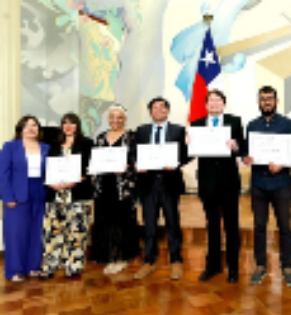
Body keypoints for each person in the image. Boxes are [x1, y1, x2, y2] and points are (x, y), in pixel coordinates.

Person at [243, 86, 291, 287]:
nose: (266, 102)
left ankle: (287, 267)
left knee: (284, 226)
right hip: (258, 183)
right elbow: (245, 152)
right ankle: (260, 266)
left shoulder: (287, 124)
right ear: (259, 102)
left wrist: (282, 163)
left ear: (276, 101)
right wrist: (246, 158)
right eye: (263, 99)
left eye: (270, 99)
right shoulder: (251, 125)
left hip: (281, 182)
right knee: (259, 226)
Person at [191, 89, 244, 284]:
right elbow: (190, 154)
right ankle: (212, 266)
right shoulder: (196, 125)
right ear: (206, 105)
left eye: (218, 100)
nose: (214, 103)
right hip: (207, 182)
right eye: (210, 101)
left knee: (231, 226)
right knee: (212, 225)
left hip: (229, 181)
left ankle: (233, 269)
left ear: (223, 103)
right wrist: (187, 143)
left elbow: (243, 147)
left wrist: (236, 146)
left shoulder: (235, 122)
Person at [133, 97, 188, 281]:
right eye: (155, 107)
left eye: (162, 107)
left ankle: (176, 261)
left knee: (173, 223)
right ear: (150, 112)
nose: (159, 110)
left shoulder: (178, 130)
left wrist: (178, 163)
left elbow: (186, 153)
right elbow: (133, 153)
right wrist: (136, 164)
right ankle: (149, 261)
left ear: (167, 111)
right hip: (148, 184)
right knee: (149, 224)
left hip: (170, 183)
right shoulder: (141, 131)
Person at [40, 113, 94, 279]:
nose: (68, 126)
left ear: (78, 125)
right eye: (65, 123)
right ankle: (50, 266)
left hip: (78, 194)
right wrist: (50, 183)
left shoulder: (87, 144)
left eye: (72, 123)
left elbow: (91, 169)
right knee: (52, 232)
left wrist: (75, 181)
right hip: (54, 194)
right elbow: (46, 169)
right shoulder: (53, 145)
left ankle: (74, 266)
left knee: (76, 232)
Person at [91, 105, 140, 275]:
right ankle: (106, 255)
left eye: (119, 117)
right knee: (104, 219)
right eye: (112, 117)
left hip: (123, 187)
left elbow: (138, 162)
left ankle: (121, 257)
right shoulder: (100, 137)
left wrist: (127, 167)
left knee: (121, 221)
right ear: (108, 119)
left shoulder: (132, 137)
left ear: (125, 119)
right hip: (103, 185)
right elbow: (94, 159)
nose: (115, 120)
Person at [0, 116, 49, 282]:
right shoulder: (10, 147)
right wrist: (7, 197)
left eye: (34, 125)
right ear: (20, 129)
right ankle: (14, 270)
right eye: (26, 126)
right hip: (17, 193)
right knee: (15, 233)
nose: (31, 128)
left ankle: (33, 267)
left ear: (38, 129)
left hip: (40, 192)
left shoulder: (46, 148)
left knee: (36, 231)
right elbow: (3, 175)